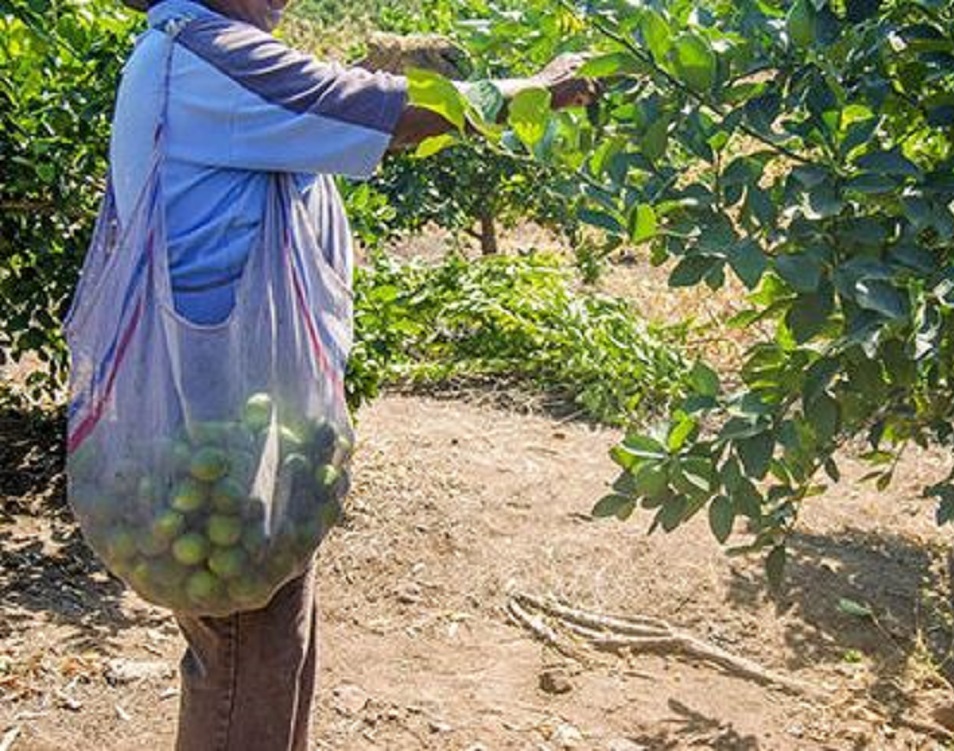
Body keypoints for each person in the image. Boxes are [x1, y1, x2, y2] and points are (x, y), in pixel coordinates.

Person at [107, 1, 599, 748]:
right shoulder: (211, 55)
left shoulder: (195, 52)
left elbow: (331, 124)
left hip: (231, 418)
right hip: (217, 423)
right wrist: (533, 88)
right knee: (246, 652)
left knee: (269, 638)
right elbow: (378, 113)